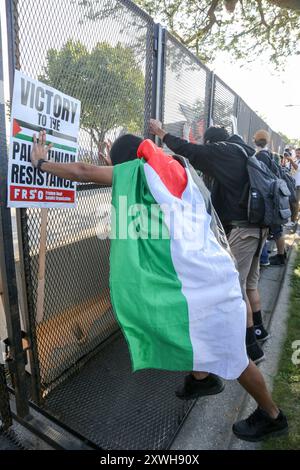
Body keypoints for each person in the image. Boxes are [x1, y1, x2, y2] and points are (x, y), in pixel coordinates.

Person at [151, 121, 270, 364]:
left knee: (236, 290)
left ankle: (250, 348)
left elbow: (192, 152)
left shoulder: (224, 151)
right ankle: (260, 330)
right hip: (258, 229)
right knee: (249, 284)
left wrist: (161, 133)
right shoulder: (245, 151)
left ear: (213, 143)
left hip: (243, 231)